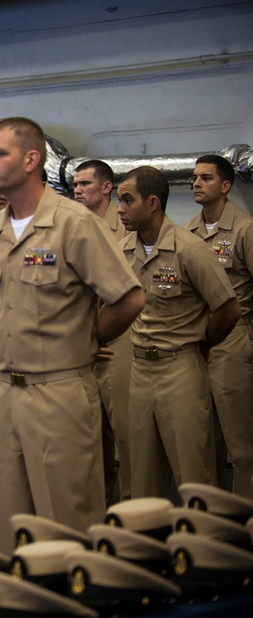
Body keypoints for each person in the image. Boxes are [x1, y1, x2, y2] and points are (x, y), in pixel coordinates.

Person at [0, 118, 144, 554]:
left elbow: (129, 298)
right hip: (6, 393)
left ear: (32, 160)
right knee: (12, 524)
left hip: (59, 391)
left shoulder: (72, 223)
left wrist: (88, 341)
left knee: (67, 521)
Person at [118, 166, 240, 499]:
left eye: (128, 200)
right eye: (119, 200)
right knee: (143, 475)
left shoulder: (189, 248)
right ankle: (149, 548)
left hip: (180, 368)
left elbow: (229, 308)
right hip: (140, 369)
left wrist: (202, 342)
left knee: (193, 474)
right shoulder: (123, 249)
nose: (120, 209)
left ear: (153, 202)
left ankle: (204, 548)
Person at [184, 155, 253, 501]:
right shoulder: (189, 233)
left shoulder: (244, 229)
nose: (196, 183)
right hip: (201, 339)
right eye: (195, 178)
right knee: (205, 439)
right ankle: (210, 521)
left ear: (225, 186)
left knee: (241, 445)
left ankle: (244, 524)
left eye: (206, 178)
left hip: (235, 337)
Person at [73, 159, 132, 504]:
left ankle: (132, 510)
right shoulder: (73, 226)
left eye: (85, 184)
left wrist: (104, 334)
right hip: (82, 344)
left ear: (106, 187)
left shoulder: (125, 227)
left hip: (116, 342)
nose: (78, 190)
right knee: (90, 439)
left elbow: (133, 294)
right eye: (75, 185)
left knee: (127, 436)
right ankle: (98, 506)